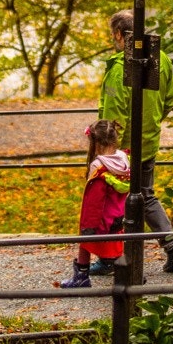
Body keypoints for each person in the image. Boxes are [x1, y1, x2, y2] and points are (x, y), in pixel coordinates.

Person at [101, 10, 173, 274]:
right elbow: (169, 101)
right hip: (148, 142)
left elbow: (115, 113)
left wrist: (108, 149)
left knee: (112, 198)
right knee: (146, 195)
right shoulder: (160, 58)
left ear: (118, 34)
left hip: (123, 147)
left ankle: (110, 258)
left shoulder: (120, 67)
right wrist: (150, 124)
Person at [55, 119, 131, 289]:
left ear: (96, 143)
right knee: (118, 246)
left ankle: (81, 276)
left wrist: (88, 226)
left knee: (85, 242)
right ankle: (128, 274)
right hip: (118, 215)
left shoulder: (99, 167)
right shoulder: (124, 159)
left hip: (101, 218)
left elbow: (94, 201)